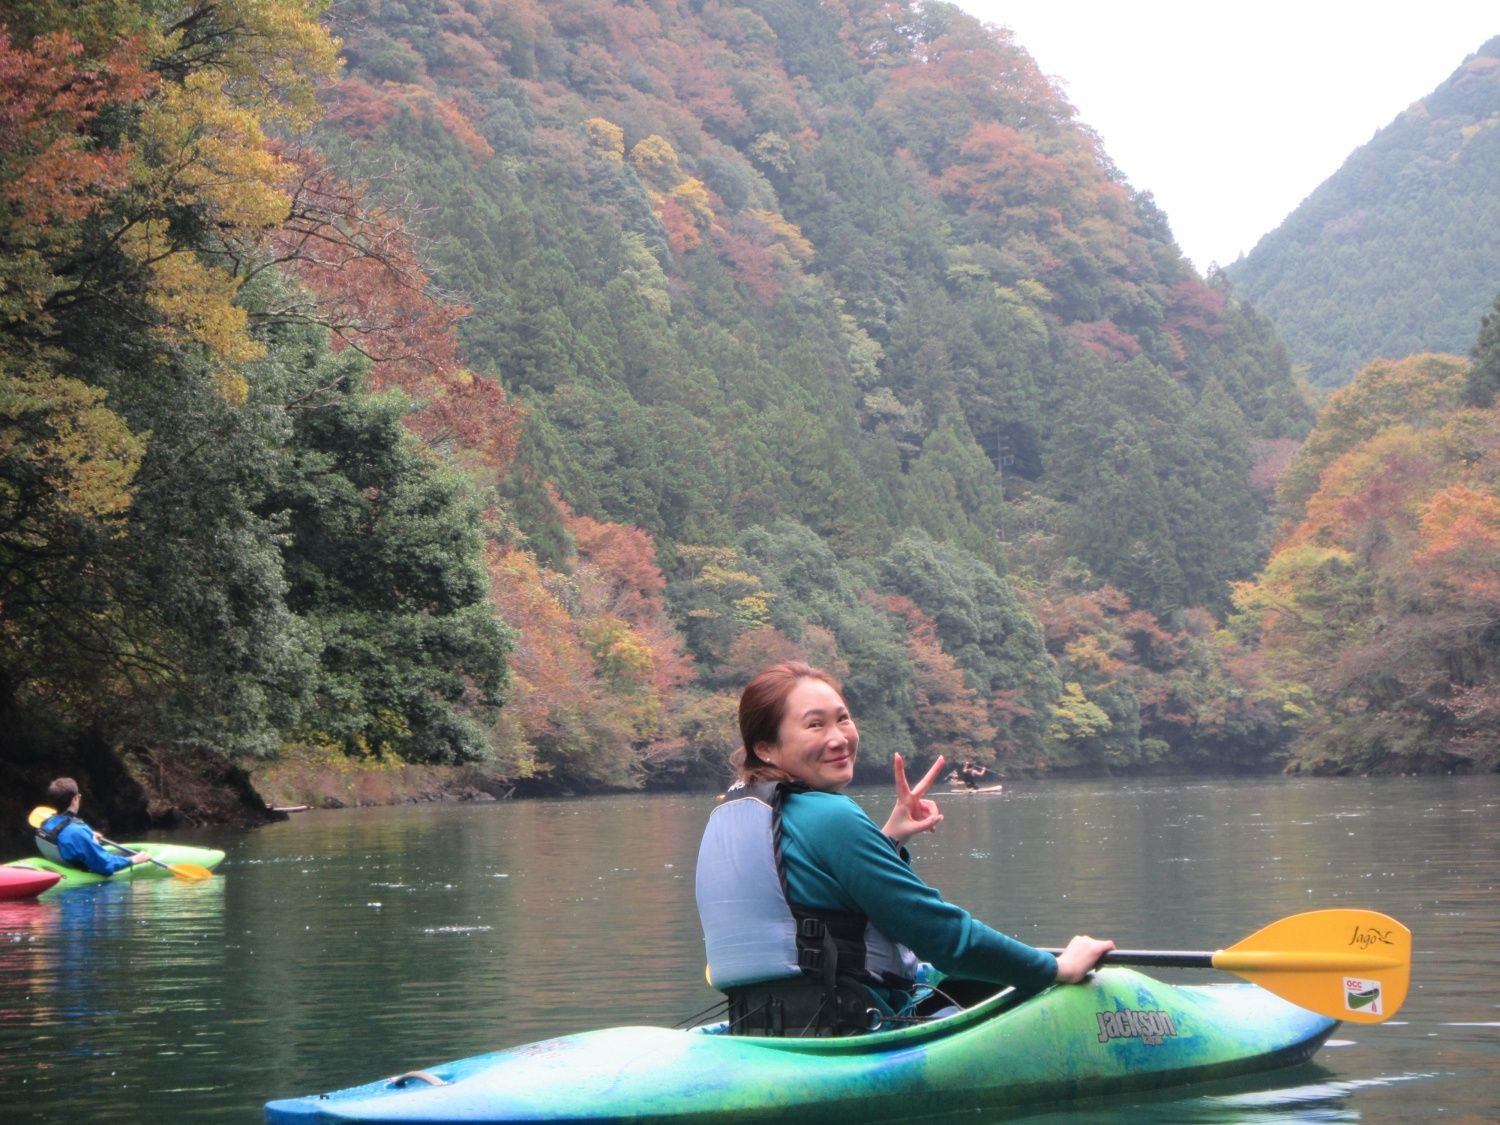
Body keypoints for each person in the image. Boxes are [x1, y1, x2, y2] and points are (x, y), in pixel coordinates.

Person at [695, 661, 1113, 1037]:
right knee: (986, 982)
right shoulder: (830, 815)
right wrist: (1055, 968)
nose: (839, 738)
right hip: (849, 1032)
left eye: (843, 719)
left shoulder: (730, 815)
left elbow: (810, 897)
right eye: (815, 725)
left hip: (757, 1029)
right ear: (765, 748)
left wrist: (888, 840)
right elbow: (943, 937)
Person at [34, 777, 150, 876]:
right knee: (132, 853)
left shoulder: (47, 823)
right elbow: (105, 866)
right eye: (78, 796)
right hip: (86, 873)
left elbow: (64, 837)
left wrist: (90, 837)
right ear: (75, 799)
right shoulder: (78, 831)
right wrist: (133, 860)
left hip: (65, 864)